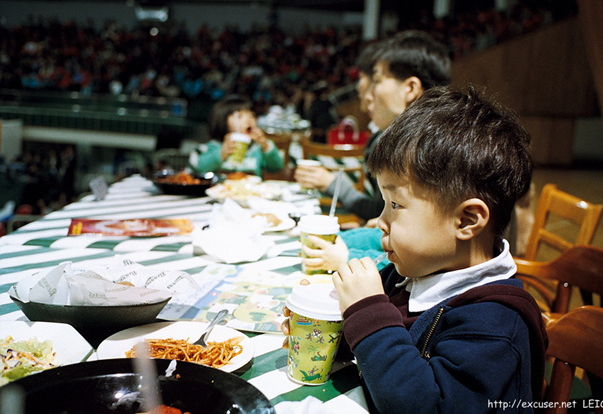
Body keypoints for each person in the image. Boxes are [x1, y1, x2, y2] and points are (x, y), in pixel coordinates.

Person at [330, 85, 548, 413]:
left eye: (395, 204)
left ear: (466, 220)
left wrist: (368, 313)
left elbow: (428, 406)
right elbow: (375, 351)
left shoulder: (496, 326)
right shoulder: (411, 272)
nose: (380, 221)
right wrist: (330, 330)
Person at [294, 30, 451, 222]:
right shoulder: (432, 137)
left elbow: (384, 216)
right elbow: (385, 217)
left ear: (410, 89)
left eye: (376, 81)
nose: (369, 96)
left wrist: (333, 184)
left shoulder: (421, 150)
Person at [189, 95, 284, 178]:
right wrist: (221, 154)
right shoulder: (212, 147)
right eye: (239, 116)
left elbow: (276, 167)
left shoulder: (257, 149)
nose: (248, 120)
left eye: (252, 116)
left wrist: (265, 145)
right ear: (222, 121)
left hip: (251, 194)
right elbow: (196, 167)